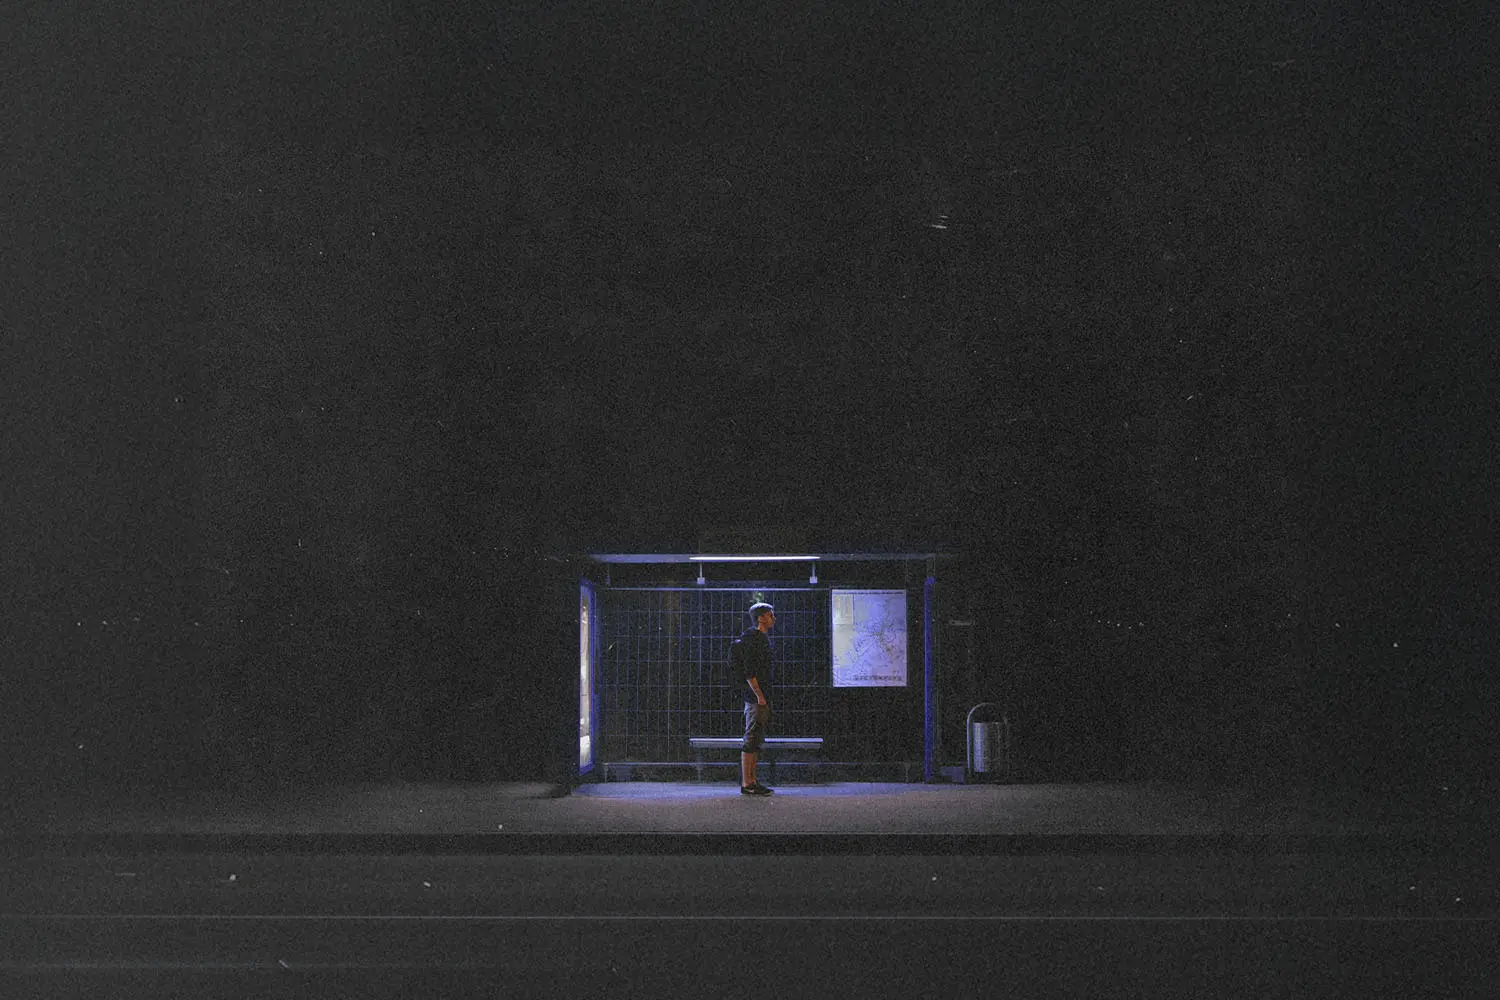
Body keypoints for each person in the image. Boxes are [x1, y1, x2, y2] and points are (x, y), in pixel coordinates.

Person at [738, 602, 776, 795]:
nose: (773, 618)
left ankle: (752, 780)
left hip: (759, 696)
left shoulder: (760, 638)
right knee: (752, 737)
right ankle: (747, 782)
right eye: (770, 615)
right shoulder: (755, 640)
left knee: (755, 738)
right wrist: (759, 695)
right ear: (761, 618)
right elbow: (750, 671)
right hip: (756, 697)